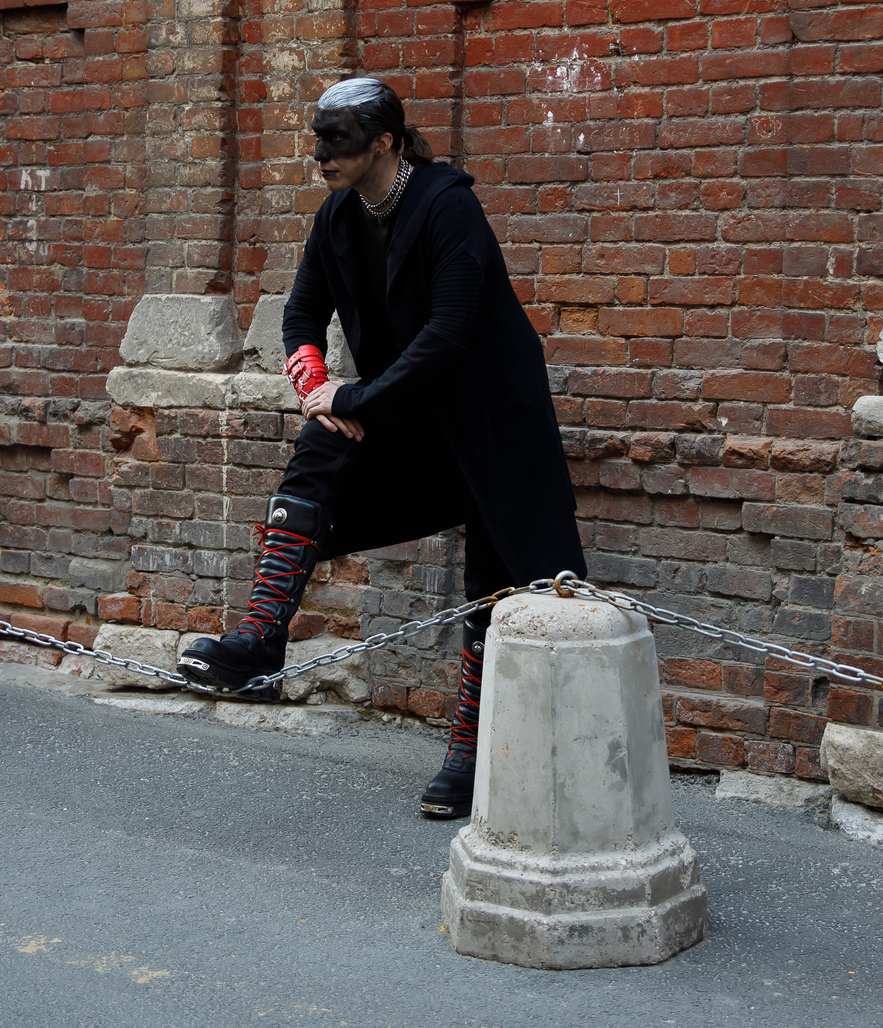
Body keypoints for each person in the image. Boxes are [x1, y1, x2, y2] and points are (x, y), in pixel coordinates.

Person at [178, 77, 588, 819]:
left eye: (335, 139)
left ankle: (469, 753)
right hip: (413, 415)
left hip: (495, 423)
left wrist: (358, 397)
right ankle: (262, 638)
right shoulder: (336, 216)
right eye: (317, 136)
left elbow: (450, 333)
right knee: (321, 443)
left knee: (493, 585)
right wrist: (317, 390)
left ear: (385, 141)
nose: (319, 153)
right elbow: (301, 313)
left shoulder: (448, 206)